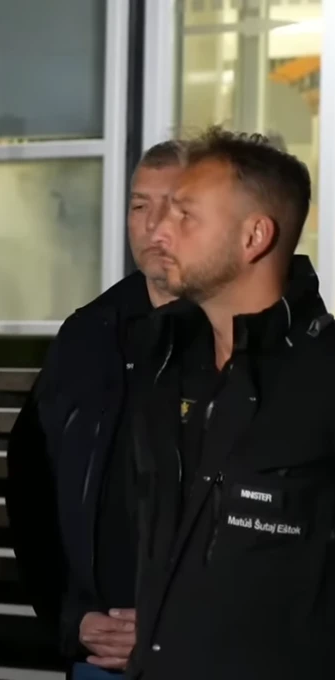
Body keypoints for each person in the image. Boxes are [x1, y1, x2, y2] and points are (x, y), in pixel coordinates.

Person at [126, 128, 332, 678]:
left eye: (186, 215)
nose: (158, 229)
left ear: (254, 236)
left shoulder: (323, 378)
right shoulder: (164, 366)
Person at [6, 141, 185, 679]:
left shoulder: (240, 341)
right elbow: (31, 490)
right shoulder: (87, 335)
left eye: (176, 206)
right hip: (97, 653)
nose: (153, 224)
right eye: (139, 205)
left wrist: (176, 632)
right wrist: (71, 617)